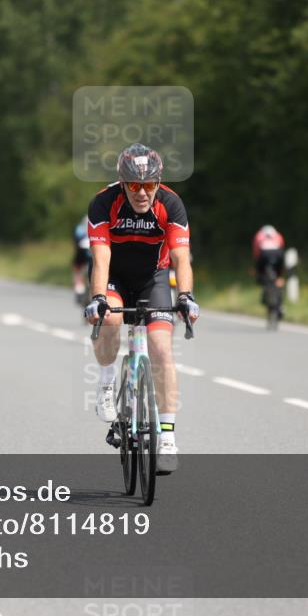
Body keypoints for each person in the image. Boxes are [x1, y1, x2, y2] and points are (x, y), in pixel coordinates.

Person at [84, 143, 200, 474]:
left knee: (162, 349)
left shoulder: (171, 203)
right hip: (115, 279)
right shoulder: (103, 204)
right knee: (109, 321)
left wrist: (186, 295)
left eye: (149, 185)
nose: (142, 193)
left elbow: (181, 258)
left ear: (158, 183)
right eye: (134, 185)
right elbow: (101, 258)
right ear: (122, 183)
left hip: (154, 279)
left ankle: (166, 438)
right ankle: (107, 381)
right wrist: (98, 299)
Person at [252, 224, 286, 315]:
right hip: (278, 254)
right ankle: (280, 303)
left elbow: (256, 254)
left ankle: (263, 284)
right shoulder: (277, 235)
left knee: (261, 274)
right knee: (279, 277)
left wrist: (259, 273)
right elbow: (282, 248)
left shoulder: (259, 236)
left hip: (264, 255)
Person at [72, 215, 91, 305]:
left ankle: (79, 289)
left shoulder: (82, 224)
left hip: (83, 247)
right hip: (96, 246)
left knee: (77, 267)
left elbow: (76, 240)